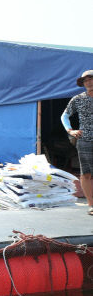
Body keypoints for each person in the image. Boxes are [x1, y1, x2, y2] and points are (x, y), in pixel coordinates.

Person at [62, 69, 93, 215]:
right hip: (85, 139)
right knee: (86, 173)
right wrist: (70, 130)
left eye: (91, 79)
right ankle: (91, 205)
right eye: (86, 80)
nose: (89, 82)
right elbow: (65, 116)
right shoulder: (78, 99)